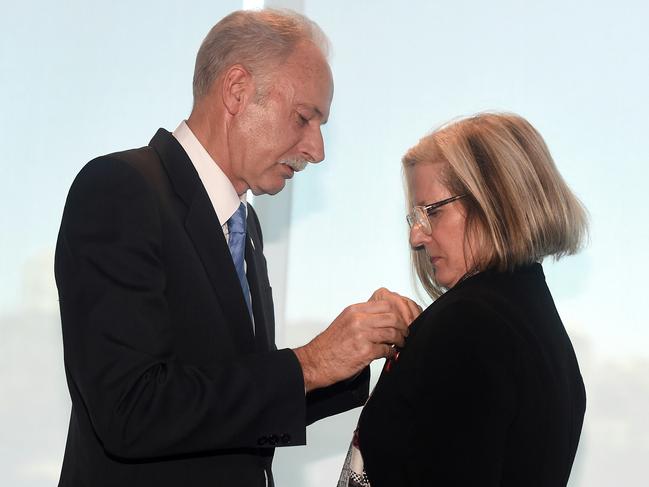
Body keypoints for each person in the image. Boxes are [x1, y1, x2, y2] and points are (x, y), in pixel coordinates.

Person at [55, 9, 418, 487]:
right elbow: (130, 409)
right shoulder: (120, 189)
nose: (317, 149)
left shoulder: (242, 225)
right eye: (304, 118)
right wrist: (310, 363)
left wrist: (355, 356)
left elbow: (235, 405)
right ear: (237, 90)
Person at [340, 112, 588, 487]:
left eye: (433, 212)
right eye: (414, 218)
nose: (416, 238)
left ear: (496, 199)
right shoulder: (536, 324)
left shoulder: (468, 323)